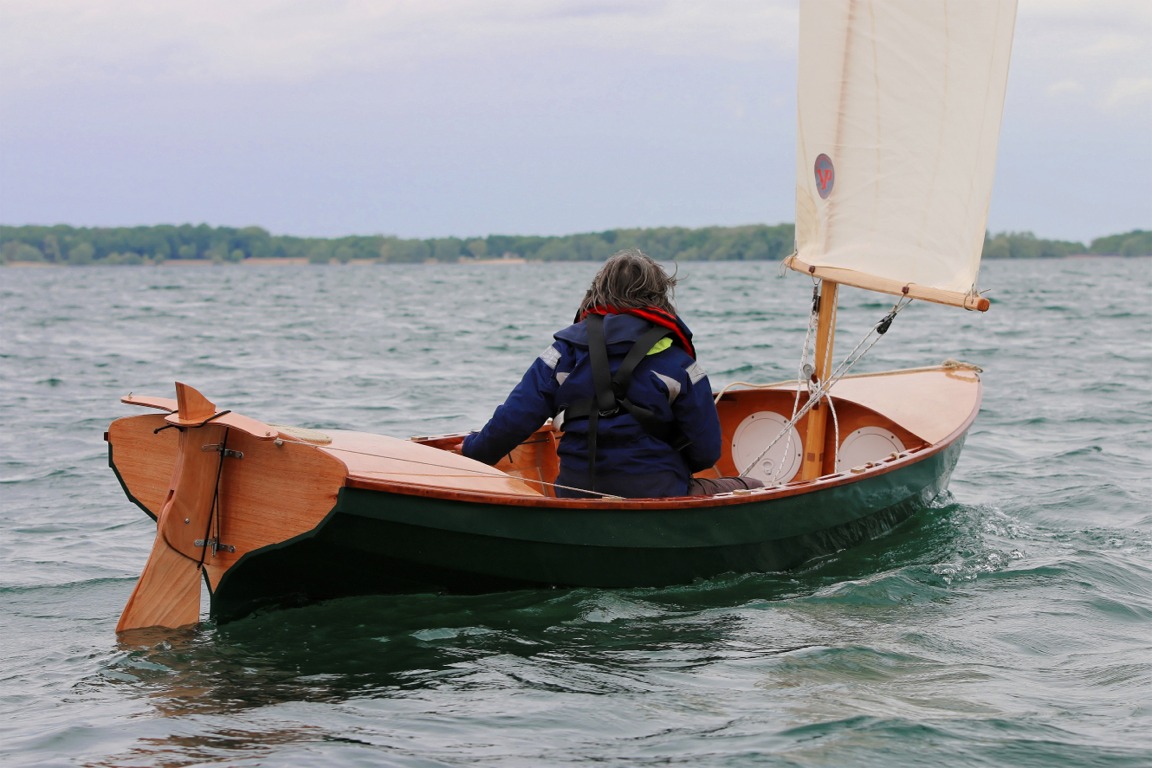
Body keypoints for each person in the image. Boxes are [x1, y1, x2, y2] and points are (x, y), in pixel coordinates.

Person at [460, 249, 761, 499]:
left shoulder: (561, 355)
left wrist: (470, 451)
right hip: (658, 495)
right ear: (659, 298)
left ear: (597, 293)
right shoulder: (680, 364)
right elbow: (706, 453)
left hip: (576, 495)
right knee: (755, 488)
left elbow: (511, 423)